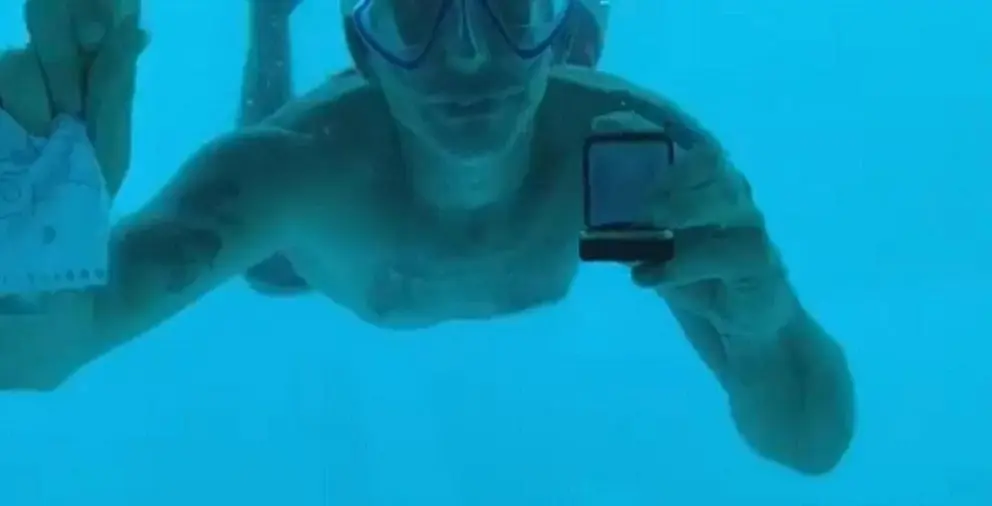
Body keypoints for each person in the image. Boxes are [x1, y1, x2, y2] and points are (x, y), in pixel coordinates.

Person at [0, 0, 855, 476]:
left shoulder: (622, 154)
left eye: (514, 6)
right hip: (312, 226)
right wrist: (45, 238)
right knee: (267, 261)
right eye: (413, 12)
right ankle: (272, 17)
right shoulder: (297, 174)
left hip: (545, 107)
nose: (471, 57)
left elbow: (808, 440)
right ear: (364, 47)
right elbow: (36, 359)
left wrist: (768, 325)